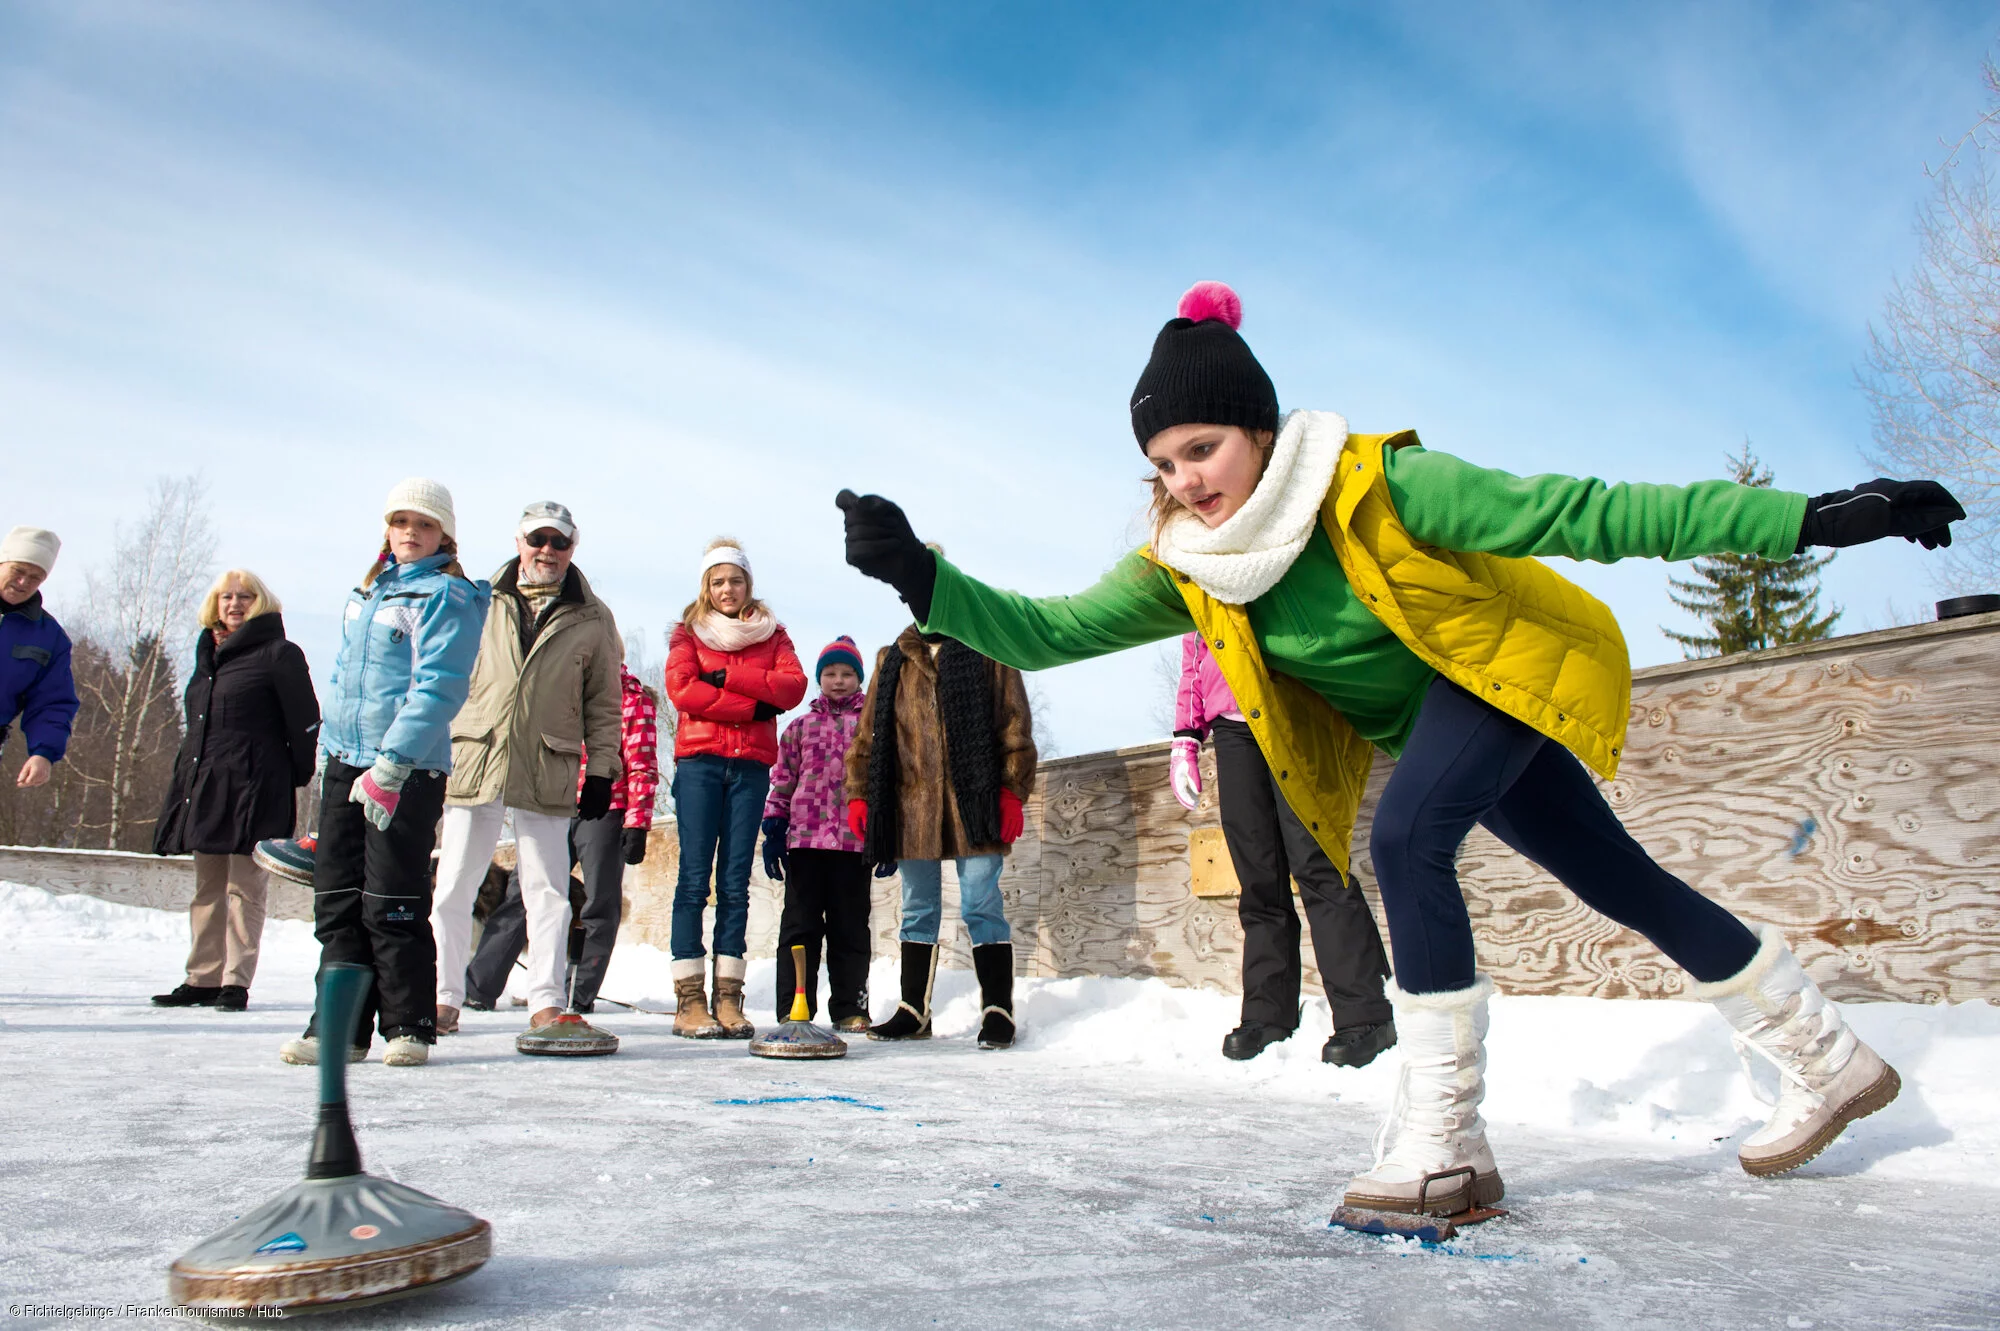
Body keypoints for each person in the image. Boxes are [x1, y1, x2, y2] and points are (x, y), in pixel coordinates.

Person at [838, 280, 1963, 1217]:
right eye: (1164, 462)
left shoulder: (1377, 486)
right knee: (1614, 876)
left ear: (1259, 432)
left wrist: (1804, 521)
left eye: (1202, 447)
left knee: (1409, 834)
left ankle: (1444, 1137)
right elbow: (1048, 628)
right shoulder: (1188, 561)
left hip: (1496, 675)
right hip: (1431, 725)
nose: (1185, 480)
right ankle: (1825, 1054)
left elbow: (1583, 510)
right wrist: (920, 578)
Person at [281, 479, 489, 1068]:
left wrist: (392, 763)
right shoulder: (370, 592)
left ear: (443, 534)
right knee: (338, 900)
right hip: (347, 761)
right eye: (401, 523)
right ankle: (338, 1026)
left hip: (406, 768)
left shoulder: (447, 596)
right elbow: (347, 678)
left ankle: (410, 1024)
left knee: (391, 898)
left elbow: (440, 687)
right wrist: (332, 758)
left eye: (423, 526)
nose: (410, 534)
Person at [430, 501, 625, 1049]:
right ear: (519, 542)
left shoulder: (592, 616)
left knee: (548, 891)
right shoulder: (479, 600)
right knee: (453, 887)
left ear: (572, 547)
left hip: (549, 761)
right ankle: (443, 996)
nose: (548, 551)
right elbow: (444, 676)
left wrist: (602, 771)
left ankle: (544, 1001)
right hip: (477, 755)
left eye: (559, 542)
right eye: (538, 539)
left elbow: (604, 704)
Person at [1172, 630, 1394, 1066]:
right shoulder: (1193, 563)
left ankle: (1366, 1012)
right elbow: (1195, 644)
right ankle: (1267, 1013)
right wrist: (1186, 736)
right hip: (1232, 723)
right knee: (1257, 873)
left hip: (1296, 704)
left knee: (1318, 861)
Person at [843, 579, 1037, 1050]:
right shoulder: (893, 660)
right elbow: (868, 736)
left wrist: (1011, 791)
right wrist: (859, 793)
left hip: (977, 802)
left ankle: (997, 1009)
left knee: (980, 905)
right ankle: (914, 1010)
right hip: (912, 807)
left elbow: (1014, 724)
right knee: (918, 909)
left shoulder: (989, 648)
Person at [151, 570, 319, 1013]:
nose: (234, 603)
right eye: (226, 596)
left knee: (244, 887)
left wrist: (293, 777)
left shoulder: (279, 654)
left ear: (261, 603)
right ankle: (202, 978)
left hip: (257, 785)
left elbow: (305, 722)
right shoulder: (208, 654)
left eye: (245, 596)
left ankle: (234, 982)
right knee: (207, 886)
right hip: (206, 786)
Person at [663, 539, 807, 1038]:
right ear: (707, 586)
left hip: (749, 769)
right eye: (718, 581)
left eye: (736, 580)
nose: (728, 589)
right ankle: (689, 1000)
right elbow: (682, 690)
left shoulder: (774, 634)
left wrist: (726, 675)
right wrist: (751, 705)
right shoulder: (688, 632)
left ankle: (728, 997)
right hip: (700, 763)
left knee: (735, 885)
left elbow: (791, 688)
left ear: (749, 584)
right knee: (693, 880)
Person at [465, 660, 659, 1014]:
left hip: (605, 807)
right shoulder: (557, 691)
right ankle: (479, 987)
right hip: (552, 802)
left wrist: (637, 821)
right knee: (523, 892)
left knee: (599, 902)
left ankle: (577, 994)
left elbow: (642, 764)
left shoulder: (632, 699)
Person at [761, 636, 876, 1033]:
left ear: (859, 679)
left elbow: (885, 783)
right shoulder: (800, 727)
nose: (839, 681)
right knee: (799, 926)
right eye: (830, 673)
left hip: (853, 842)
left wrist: (887, 835)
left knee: (850, 927)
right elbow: (783, 780)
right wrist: (774, 826)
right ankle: (794, 1006)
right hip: (805, 843)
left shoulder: (872, 728)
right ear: (819, 678)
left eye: (847, 674)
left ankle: (850, 1007)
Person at [0, 527, 77, 794]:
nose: (23, 582)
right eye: (18, 571)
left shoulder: (49, 637)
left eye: (35, 577)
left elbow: (52, 702)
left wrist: (43, 752)